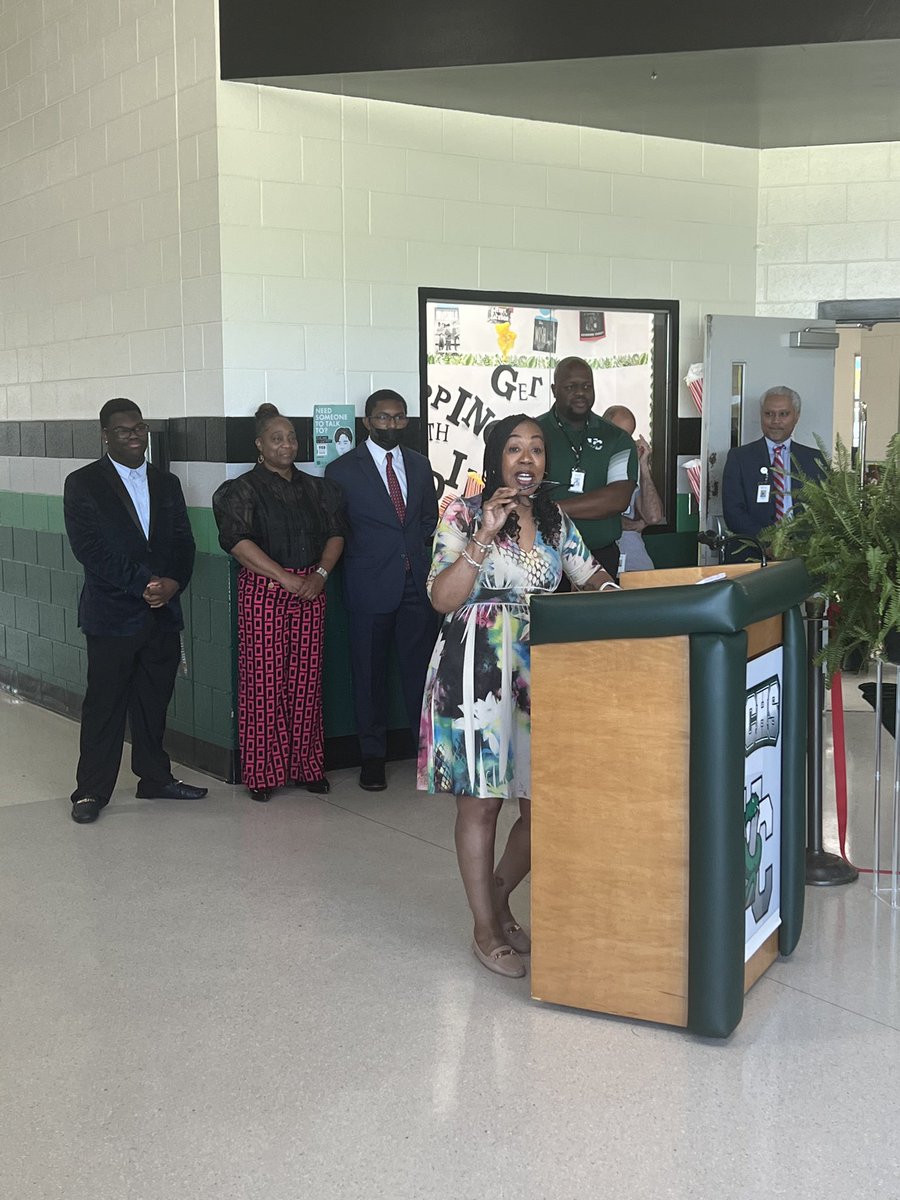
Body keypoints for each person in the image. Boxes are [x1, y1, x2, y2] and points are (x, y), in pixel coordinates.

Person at [418, 414, 620, 978]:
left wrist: (616, 596)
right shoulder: (462, 513)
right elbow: (441, 597)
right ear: (495, 459)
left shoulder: (556, 522)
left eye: (536, 449)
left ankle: (497, 895)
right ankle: (484, 929)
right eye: (514, 449)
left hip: (541, 673)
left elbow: (590, 575)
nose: (526, 459)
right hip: (474, 670)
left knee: (542, 805)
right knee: (481, 802)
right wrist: (485, 532)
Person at [63, 399, 208, 825]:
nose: (133, 434)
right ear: (105, 434)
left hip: (162, 614)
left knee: (153, 701)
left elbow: (184, 543)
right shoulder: (84, 483)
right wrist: (143, 584)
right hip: (112, 615)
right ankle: (90, 790)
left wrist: (174, 584)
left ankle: (154, 778)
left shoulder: (167, 483)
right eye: (122, 429)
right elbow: (88, 548)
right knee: (105, 704)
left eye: (139, 427)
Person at [212, 404, 345, 802]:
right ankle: (263, 773)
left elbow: (336, 534)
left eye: (290, 438)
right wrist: (284, 577)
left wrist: (319, 575)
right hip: (265, 592)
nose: (286, 445)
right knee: (264, 683)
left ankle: (307, 766)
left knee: (307, 681)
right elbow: (237, 542)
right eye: (276, 438)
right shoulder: (242, 490)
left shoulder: (317, 488)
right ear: (259, 444)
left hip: (311, 590)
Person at [325, 389, 439, 792]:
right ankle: (371, 758)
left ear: (406, 421)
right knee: (368, 677)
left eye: (398, 417)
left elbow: (427, 520)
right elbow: (338, 531)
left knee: (420, 675)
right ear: (367, 421)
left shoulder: (421, 465)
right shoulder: (341, 471)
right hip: (368, 586)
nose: (391, 425)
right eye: (383, 417)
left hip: (416, 587)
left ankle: (425, 752)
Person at [537, 357, 638, 580]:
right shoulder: (535, 433)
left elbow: (617, 498)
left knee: (597, 616)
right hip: (541, 556)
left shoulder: (616, 438)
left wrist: (552, 509)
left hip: (600, 556)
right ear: (554, 390)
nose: (580, 393)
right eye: (570, 387)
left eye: (586, 386)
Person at [722, 385, 826, 560]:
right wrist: (768, 542)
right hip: (752, 552)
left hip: (804, 554)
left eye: (784, 414)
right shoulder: (739, 458)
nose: (775, 421)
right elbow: (733, 512)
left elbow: (823, 510)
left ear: (797, 416)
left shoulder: (815, 460)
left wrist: (801, 545)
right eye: (769, 414)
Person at [603, 405, 665, 572]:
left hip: (634, 561)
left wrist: (643, 466)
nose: (625, 442)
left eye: (629, 436)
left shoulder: (631, 465)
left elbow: (653, 517)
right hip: (598, 563)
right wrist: (632, 524)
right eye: (620, 434)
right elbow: (595, 515)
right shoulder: (592, 463)